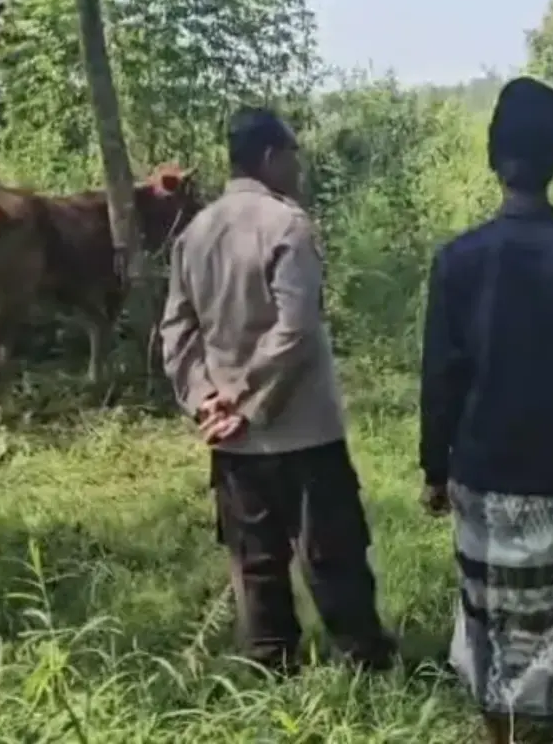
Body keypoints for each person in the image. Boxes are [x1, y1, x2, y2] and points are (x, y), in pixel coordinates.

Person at [418, 77, 553, 744]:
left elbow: (441, 379)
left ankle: (497, 731)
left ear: (491, 155)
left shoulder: (457, 261)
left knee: (488, 617)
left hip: (483, 473)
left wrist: (434, 468)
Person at [159, 106, 395, 675]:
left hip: (233, 441)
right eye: (293, 154)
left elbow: (176, 332)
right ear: (270, 157)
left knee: (255, 560)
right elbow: (296, 328)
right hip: (303, 430)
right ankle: (364, 665)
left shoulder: (195, 233)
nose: (298, 166)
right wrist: (245, 401)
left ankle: (271, 667)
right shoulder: (288, 225)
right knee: (333, 554)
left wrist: (207, 400)